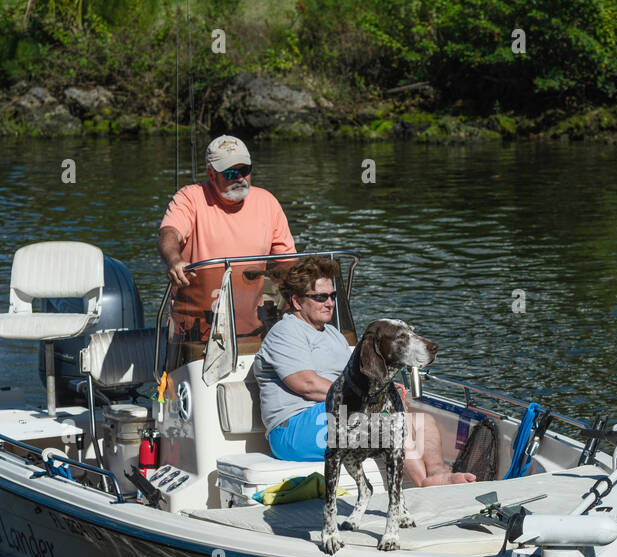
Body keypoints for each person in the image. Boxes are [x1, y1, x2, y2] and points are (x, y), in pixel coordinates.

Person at [254, 257, 476, 487]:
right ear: (297, 301)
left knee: (424, 422)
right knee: (387, 419)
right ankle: (424, 483)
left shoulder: (333, 335)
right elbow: (306, 385)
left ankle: (438, 473)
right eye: (320, 297)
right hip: (294, 429)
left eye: (332, 296)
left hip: (336, 416)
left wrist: (388, 392)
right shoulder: (286, 332)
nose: (329, 303)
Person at [157, 134, 295, 340]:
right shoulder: (190, 197)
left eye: (244, 171)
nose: (239, 178)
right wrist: (174, 260)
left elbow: (288, 265)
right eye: (230, 173)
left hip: (251, 328)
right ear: (211, 175)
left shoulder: (268, 202)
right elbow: (169, 233)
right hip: (193, 331)